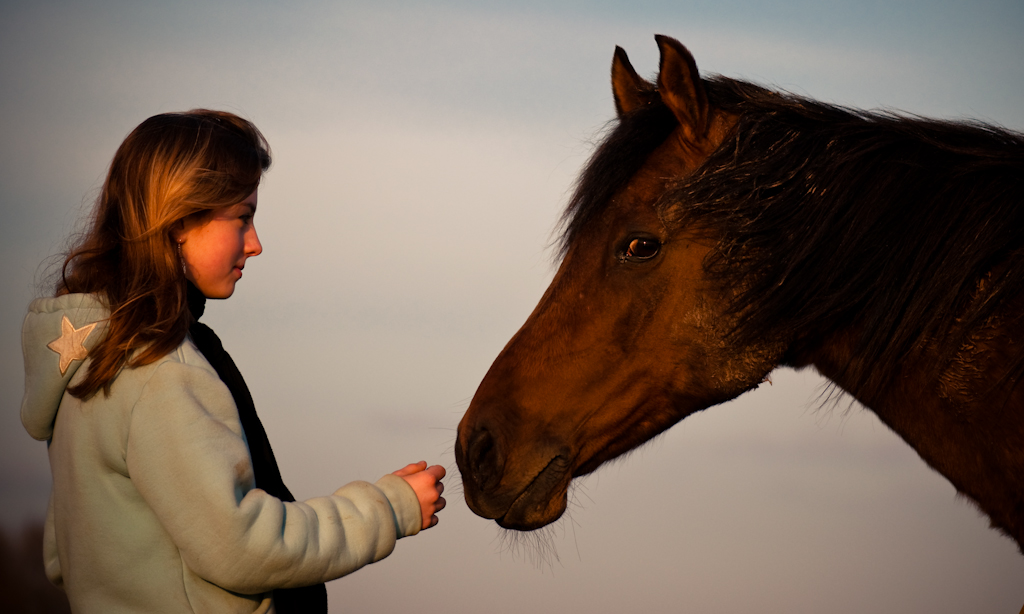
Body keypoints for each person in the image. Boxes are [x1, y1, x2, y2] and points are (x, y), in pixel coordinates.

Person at [20, 110, 446, 613]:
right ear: (180, 221)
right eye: (242, 217)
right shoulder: (157, 371)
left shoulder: (94, 368)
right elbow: (241, 546)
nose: (256, 244)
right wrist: (386, 510)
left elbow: (60, 554)